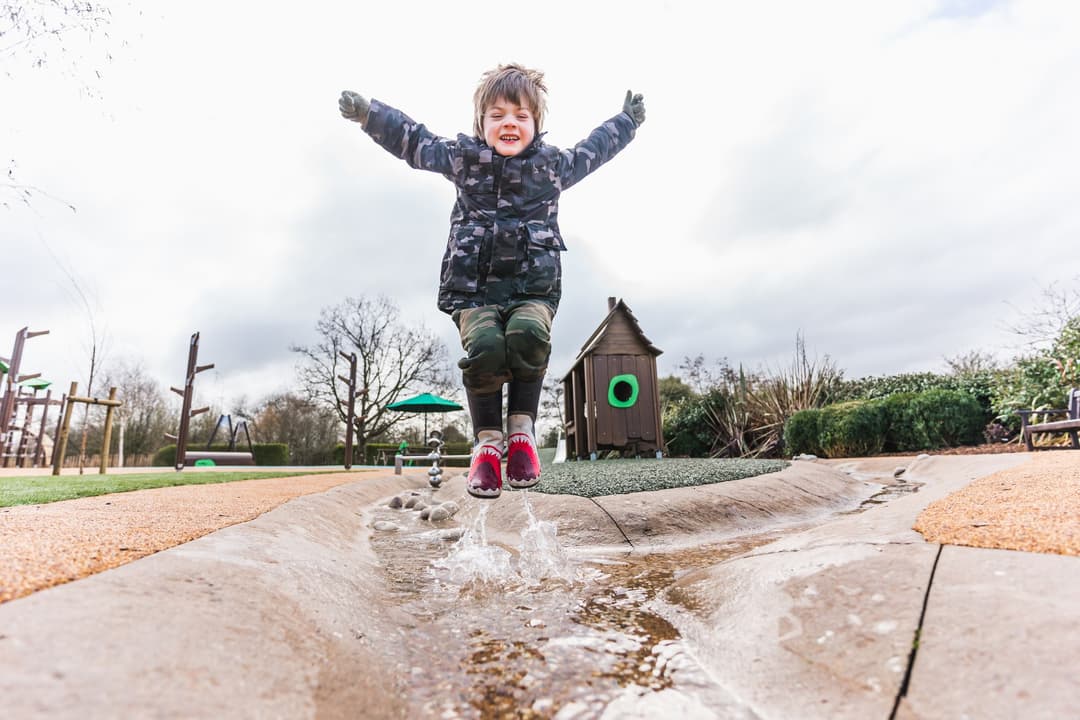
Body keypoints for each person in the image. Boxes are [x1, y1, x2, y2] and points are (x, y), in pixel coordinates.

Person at [339, 63, 645, 499]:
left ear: (536, 124)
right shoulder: (463, 160)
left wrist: (626, 122)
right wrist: (370, 114)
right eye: (497, 115)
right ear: (481, 123)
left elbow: (593, 150)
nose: (509, 124)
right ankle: (486, 444)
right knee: (486, 348)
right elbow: (415, 141)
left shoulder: (552, 166)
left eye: (521, 116)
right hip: (474, 291)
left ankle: (521, 432)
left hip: (532, 289)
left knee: (528, 335)